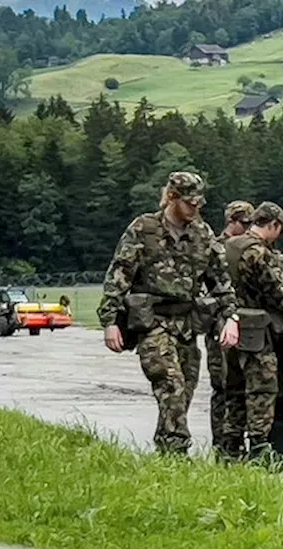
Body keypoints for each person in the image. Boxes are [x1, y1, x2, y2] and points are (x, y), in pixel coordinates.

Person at [97, 171, 241, 456]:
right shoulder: (144, 229)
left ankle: (166, 451)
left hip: (186, 324)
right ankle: (176, 453)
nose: (195, 209)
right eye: (190, 203)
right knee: (170, 384)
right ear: (172, 198)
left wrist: (231, 317)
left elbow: (220, 280)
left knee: (184, 390)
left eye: (199, 203)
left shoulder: (202, 233)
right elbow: (119, 274)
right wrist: (110, 321)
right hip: (152, 323)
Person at [224, 201, 283, 459]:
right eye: (278, 230)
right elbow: (274, 295)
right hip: (257, 333)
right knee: (262, 390)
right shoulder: (257, 252)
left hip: (232, 326)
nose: (278, 236)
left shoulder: (231, 245)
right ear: (272, 225)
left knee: (235, 391)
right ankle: (259, 448)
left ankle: (229, 448)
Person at [207, 200, 255, 460]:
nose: (247, 229)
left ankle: (236, 442)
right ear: (232, 222)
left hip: (245, 324)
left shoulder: (249, 248)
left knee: (242, 386)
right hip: (219, 324)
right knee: (222, 386)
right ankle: (222, 445)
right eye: (244, 224)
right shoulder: (215, 248)